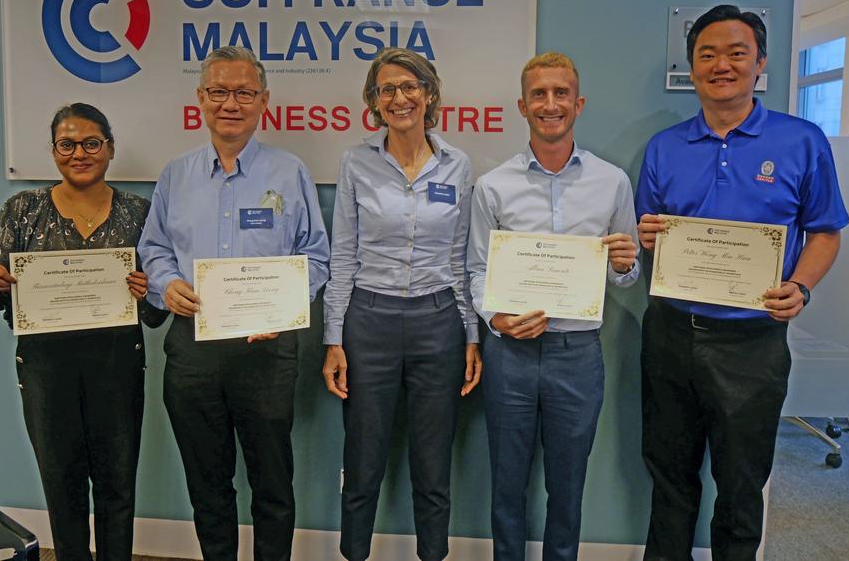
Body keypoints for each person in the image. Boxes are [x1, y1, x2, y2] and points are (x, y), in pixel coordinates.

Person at [635, 4, 849, 560]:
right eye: (707, 55)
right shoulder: (664, 146)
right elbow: (649, 234)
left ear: (761, 63)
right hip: (671, 334)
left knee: (740, 485)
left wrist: (800, 286)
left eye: (736, 53)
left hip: (752, 342)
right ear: (692, 69)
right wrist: (648, 234)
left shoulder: (801, 141)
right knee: (669, 477)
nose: (721, 65)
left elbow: (826, 232)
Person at [137, 45, 330, 561]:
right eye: (219, 91)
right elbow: (154, 248)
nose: (231, 103)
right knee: (207, 484)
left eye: (244, 93)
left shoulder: (290, 173)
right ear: (200, 98)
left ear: (263, 101)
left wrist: (283, 308)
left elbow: (316, 256)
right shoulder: (176, 174)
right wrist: (166, 283)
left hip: (266, 350)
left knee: (273, 484)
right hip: (193, 349)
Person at [0, 103, 167, 561]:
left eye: (91, 143)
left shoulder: (140, 213)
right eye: (67, 144)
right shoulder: (22, 210)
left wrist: (148, 291)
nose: (79, 153)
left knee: (118, 486)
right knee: (62, 485)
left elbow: (155, 314)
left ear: (110, 148)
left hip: (117, 366)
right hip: (46, 370)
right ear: (53, 151)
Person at [466, 52, 639, 561]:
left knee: (568, 488)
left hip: (577, 355)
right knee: (507, 485)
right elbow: (476, 271)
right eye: (538, 94)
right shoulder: (493, 186)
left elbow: (625, 274)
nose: (550, 104)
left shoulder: (612, 182)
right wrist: (496, 319)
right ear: (522, 106)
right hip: (511, 355)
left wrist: (625, 264)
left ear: (578, 104)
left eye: (561, 93)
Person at [321, 48, 482, 561]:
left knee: (433, 465)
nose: (399, 98)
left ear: (429, 94)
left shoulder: (457, 165)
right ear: (374, 101)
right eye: (386, 89)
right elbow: (343, 255)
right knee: (363, 460)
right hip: (369, 322)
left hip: (439, 323)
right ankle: (354, 553)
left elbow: (460, 258)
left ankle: (433, 554)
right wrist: (333, 338)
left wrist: (471, 335)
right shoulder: (356, 162)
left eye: (409, 86)